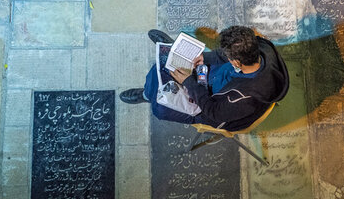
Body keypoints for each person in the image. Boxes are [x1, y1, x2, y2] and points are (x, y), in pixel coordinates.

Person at [120, 26, 289, 131]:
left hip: (212, 105)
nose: (225, 55)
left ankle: (147, 95)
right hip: (220, 79)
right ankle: (175, 53)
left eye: (229, 56)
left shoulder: (245, 100)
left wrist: (189, 84)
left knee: (160, 108)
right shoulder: (258, 48)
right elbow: (223, 55)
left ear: (236, 62)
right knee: (175, 66)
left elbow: (212, 112)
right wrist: (206, 58)